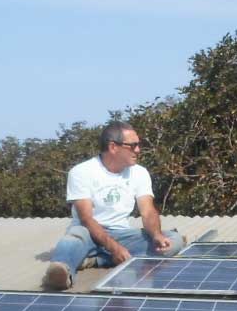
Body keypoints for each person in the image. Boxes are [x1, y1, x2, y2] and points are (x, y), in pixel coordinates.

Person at [43, 121, 184, 290]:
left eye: (138, 145)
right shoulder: (81, 172)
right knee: (72, 238)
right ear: (113, 147)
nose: (138, 150)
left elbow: (148, 211)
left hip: (121, 234)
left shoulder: (139, 173)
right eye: (133, 146)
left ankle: (95, 259)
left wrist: (157, 235)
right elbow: (86, 219)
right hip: (89, 233)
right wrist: (114, 248)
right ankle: (62, 271)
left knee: (174, 240)